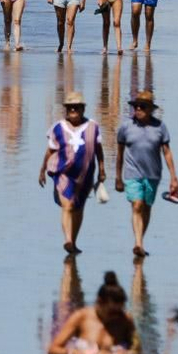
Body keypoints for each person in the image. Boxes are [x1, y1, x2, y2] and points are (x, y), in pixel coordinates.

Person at [46, 271, 140, 354]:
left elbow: (137, 352)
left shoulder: (125, 320)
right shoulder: (82, 317)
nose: (116, 316)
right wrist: (72, 352)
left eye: (120, 311)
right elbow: (53, 350)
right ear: (99, 302)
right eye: (112, 312)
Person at [115, 90, 178, 259]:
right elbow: (120, 153)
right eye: (136, 106)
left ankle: (140, 239)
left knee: (147, 207)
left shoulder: (160, 127)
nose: (138, 109)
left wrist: (174, 177)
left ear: (150, 109)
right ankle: (138, 243)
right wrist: (117, 177)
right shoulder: (126, 126)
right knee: (137, 205)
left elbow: (167, 152)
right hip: (132, 173)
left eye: (142, 107)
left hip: (153, 174)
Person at [39, 91, 103, 255]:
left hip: (85, 175)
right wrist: (42, 170)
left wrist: (102, 169)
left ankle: (73, 241)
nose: (73, 110)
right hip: (63, 173)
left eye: (76, 107)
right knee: (67, 205)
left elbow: (98, 149)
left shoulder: (93, 126)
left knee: (78, 207)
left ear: (83, 109)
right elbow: (50, 150)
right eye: (70, 107)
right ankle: (67, 239)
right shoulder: (58, 127)